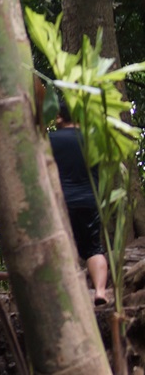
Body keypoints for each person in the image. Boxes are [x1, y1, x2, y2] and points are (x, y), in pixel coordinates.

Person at [49, 111, 111, 306]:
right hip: (88, 200)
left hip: (60, 202)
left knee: (61, 248)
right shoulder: (94, 140)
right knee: (93, 248)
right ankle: (100, 291)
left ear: (59, 117)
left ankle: (65, 296)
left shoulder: (49, 140)